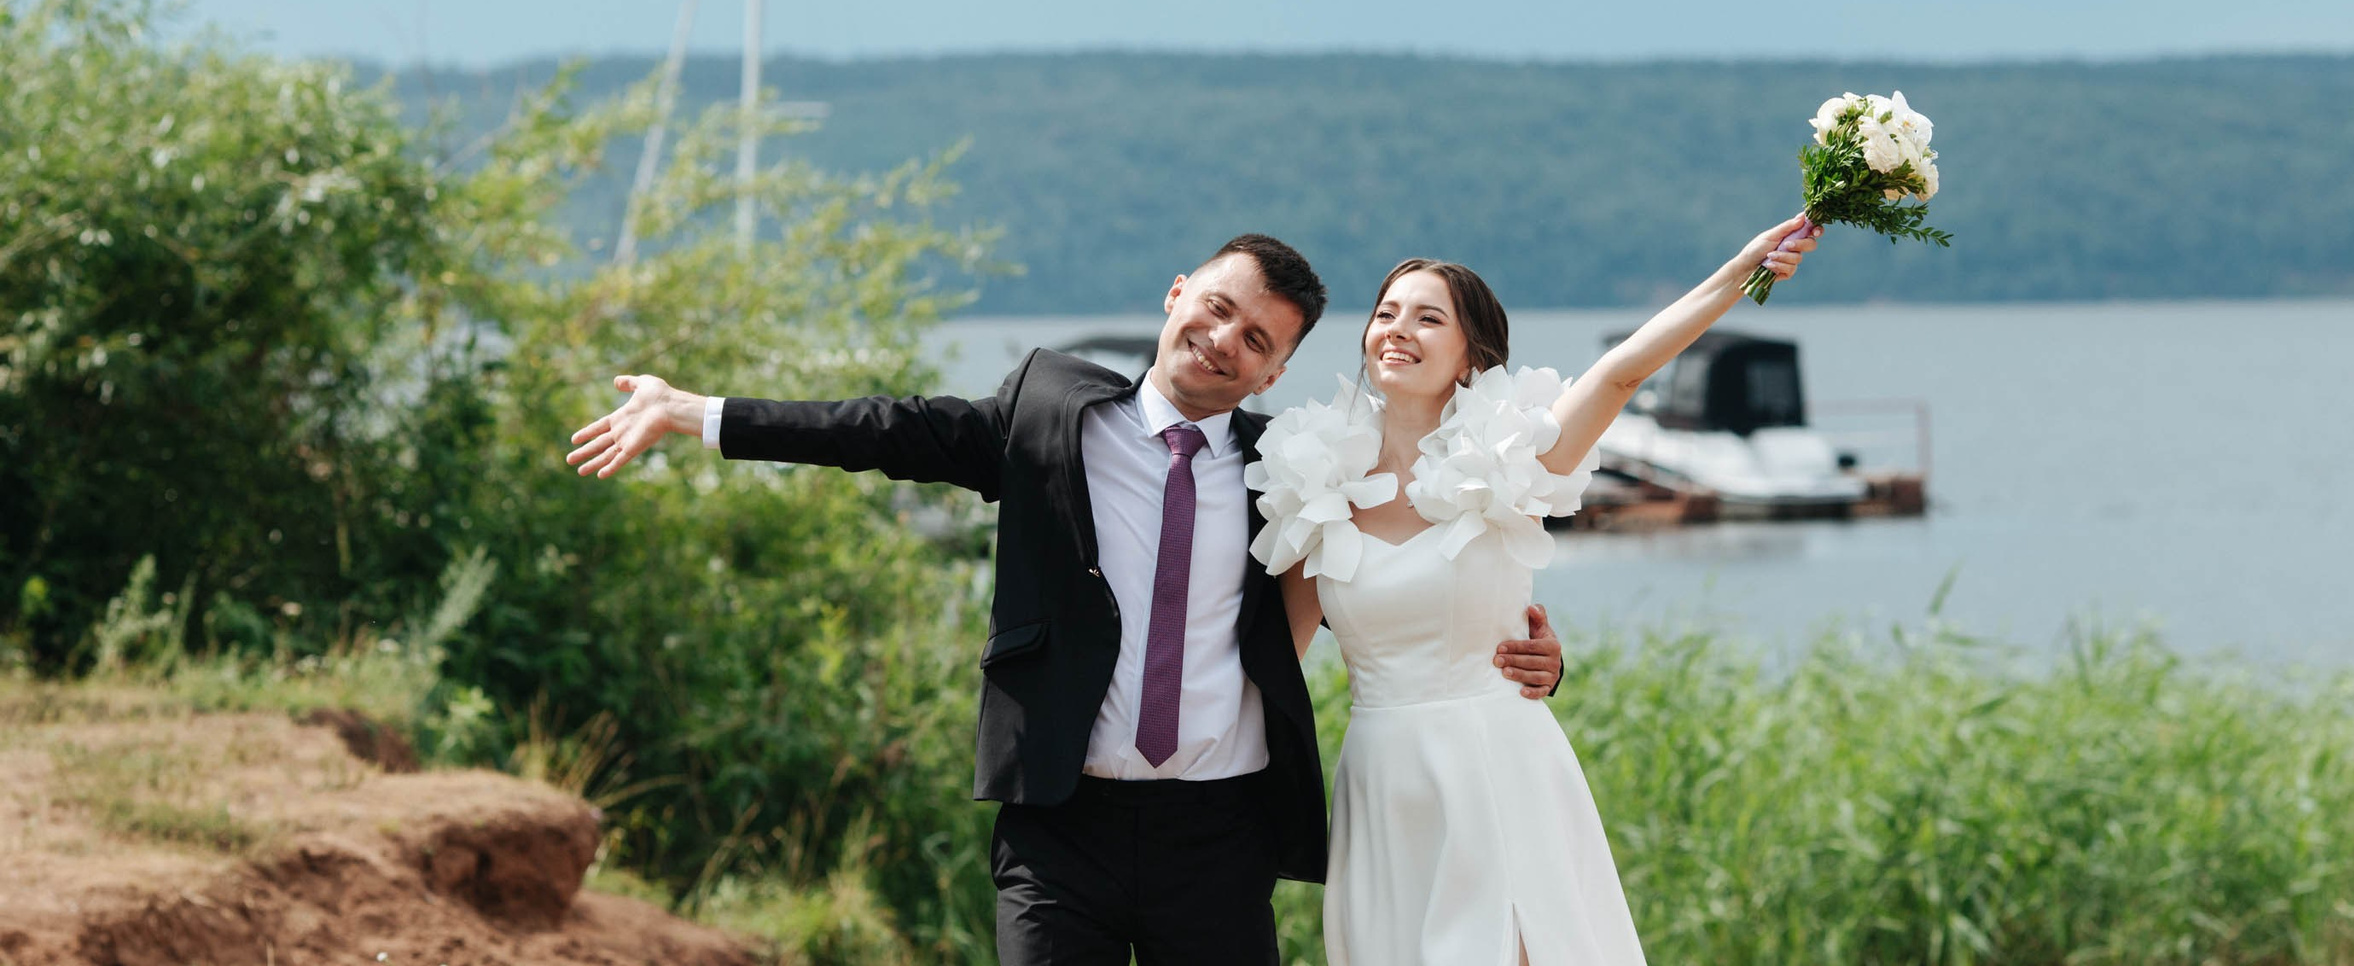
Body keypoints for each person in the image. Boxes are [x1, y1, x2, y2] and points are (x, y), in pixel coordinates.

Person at [563, 234, 1568, 965]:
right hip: (1060, 827)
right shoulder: (1051, 413)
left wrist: (1525, 651)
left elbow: (1415, 574)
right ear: (1176, 295)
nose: (1225, 340)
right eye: (1216, 308)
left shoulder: (1292, 479)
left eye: (1257, 339)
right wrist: (695, 413)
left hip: (1218, 839)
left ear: (1276, 371)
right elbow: (882, 429)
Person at [1252, 215, 1820, 965]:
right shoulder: (1312, 485)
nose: (1398, 329)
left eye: (1428, 318)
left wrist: (1741, 270)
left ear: (1468, 357)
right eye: (1386, 312)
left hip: (1497, 765)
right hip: (1383, 781)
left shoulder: (1512, 463)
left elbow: (1622, 372)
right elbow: (1274, 664)